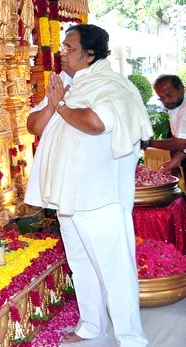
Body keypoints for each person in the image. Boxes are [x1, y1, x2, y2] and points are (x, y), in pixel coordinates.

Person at [24, 24, 151, 346]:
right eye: (63, 47)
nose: (61, 53)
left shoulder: (112, 86)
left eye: (69, 47)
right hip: (70, 196)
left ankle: (131, 338)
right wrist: (54, 102)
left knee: (114, 269)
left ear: (90, 54)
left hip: (99, 197)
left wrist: (63, 106)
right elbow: (33, 126)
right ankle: (92, 325)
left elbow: (96, 124)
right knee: (81, 265)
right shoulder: (67, 85)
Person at [143, 75, 186, 176]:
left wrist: (147, 143)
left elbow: (181, 143)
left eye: (169, 95)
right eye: (161, 97)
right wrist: (174, 163)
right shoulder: (175, 105)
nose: (166, 101)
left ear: (181, 88)